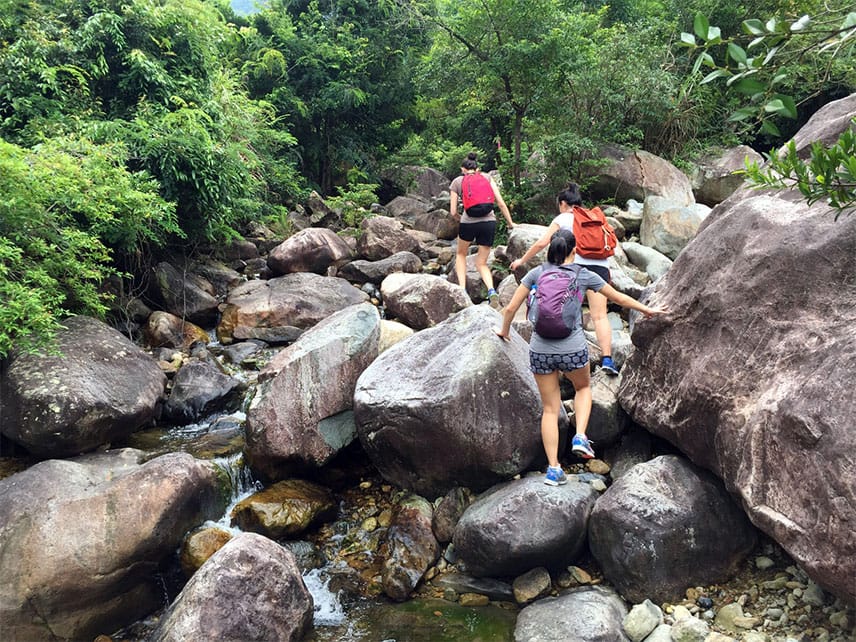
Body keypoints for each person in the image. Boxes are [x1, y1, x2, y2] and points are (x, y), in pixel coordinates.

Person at [496, 228, 666, 486]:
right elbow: (618, 297)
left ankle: (553, 469)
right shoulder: (583, 274)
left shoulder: (536, 273)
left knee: (551, 409)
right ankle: (580, 436)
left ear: (550, 249)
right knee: (583, 387)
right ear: (575, 251)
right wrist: (648, 310)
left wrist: (504, 332)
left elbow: (510, 308)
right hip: (572, 348)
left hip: (540, 349)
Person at [510, 183, 619, 375]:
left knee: (560, 308)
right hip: (600, 266)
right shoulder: (593, 217)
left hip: (574, 268)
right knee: (600, 315)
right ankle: (607, 359)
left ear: (562, 203)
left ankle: (560, 353)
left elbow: (543, 242)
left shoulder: (563, 218)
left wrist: (521, 260)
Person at [449, 153, 516, 307]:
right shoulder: (486, 177)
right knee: (482, 263)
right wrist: (511, 223)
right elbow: (500, 202)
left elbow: (453, 212)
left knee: (460, 254)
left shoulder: (457, 182)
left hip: (468, 222)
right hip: (489, 222)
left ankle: (462, 290)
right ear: (477, 168)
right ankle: (491, 290)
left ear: (462, 169)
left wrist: (462, 219)